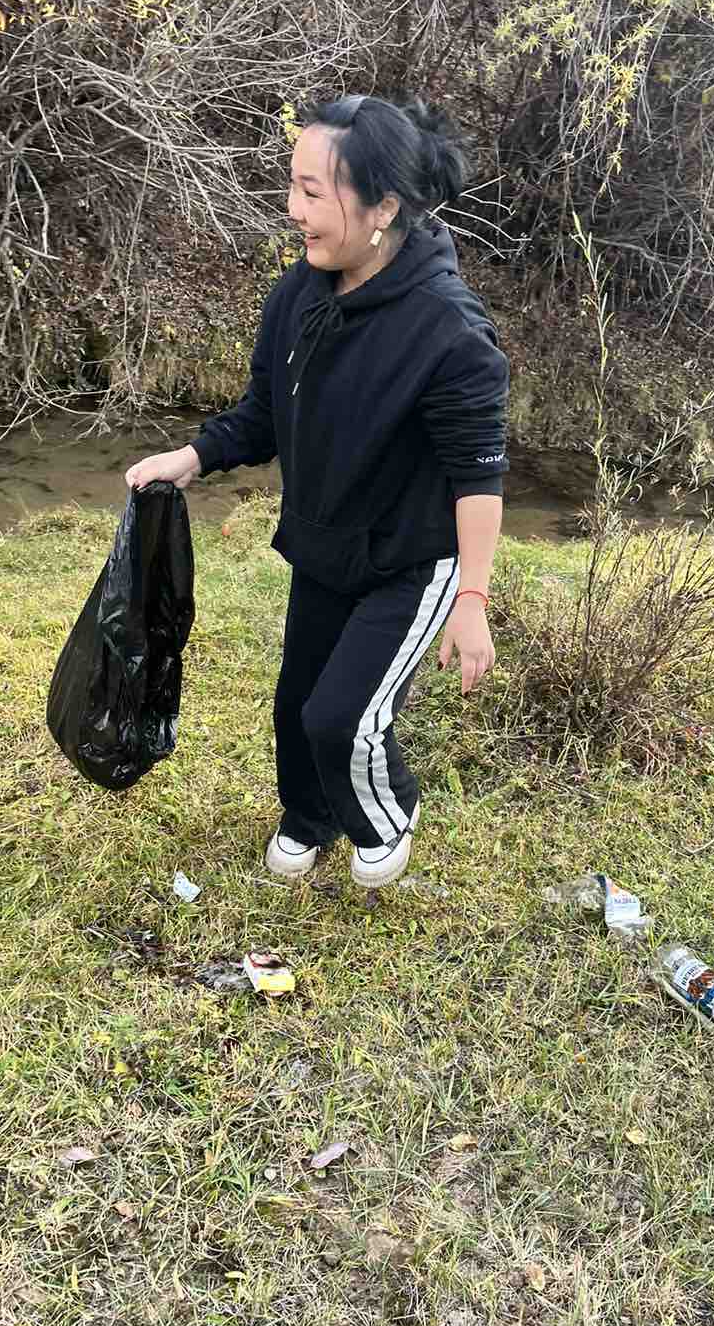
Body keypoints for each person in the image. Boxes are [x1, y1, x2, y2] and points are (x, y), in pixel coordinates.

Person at [125, 95, 508, 889]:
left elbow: (477, 477)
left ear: (383, 207)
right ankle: (307, 818)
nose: (292, 210)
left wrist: (472, 596)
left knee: (344, 717)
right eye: (292, 187)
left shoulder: (449, 333)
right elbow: (264, 413)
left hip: (413, 560)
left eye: (311, 192)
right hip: (325, 545)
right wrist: (191, 458)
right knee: (296, 706)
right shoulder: (300, 293)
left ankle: (385, 814)